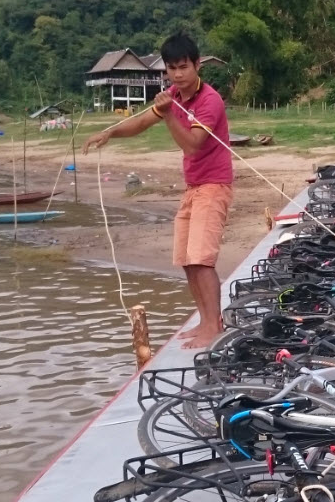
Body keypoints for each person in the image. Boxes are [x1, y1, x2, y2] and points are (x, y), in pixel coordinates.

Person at [82, 32, 233, 349]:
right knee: (187, 260)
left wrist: (166, 116)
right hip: (193, 187)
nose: (178, 74)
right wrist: (109, 132)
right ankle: (205, 321)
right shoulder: (173, 95)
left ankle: (213, 326)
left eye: (184, 67)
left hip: (214, 185)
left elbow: (192, 146)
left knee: (202, 260)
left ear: (196, 64)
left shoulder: (209, 101)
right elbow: (139, 123)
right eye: (172, 68)